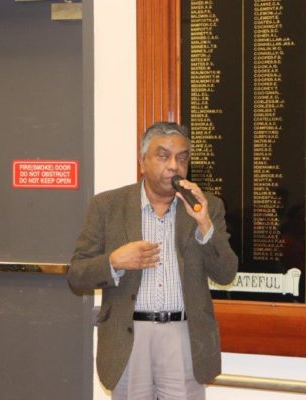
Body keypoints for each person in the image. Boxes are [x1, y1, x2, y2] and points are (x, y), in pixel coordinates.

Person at [68, 122, 238, 400]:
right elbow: (77, 275)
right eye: (163, 156)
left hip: (183, 336)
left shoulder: (206, 206)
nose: (174, 166)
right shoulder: (107, 206)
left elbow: (226, 273)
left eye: (182, 158)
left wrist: (205, 225)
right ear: (142, 161)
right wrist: (114, 261)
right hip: (130, 336)